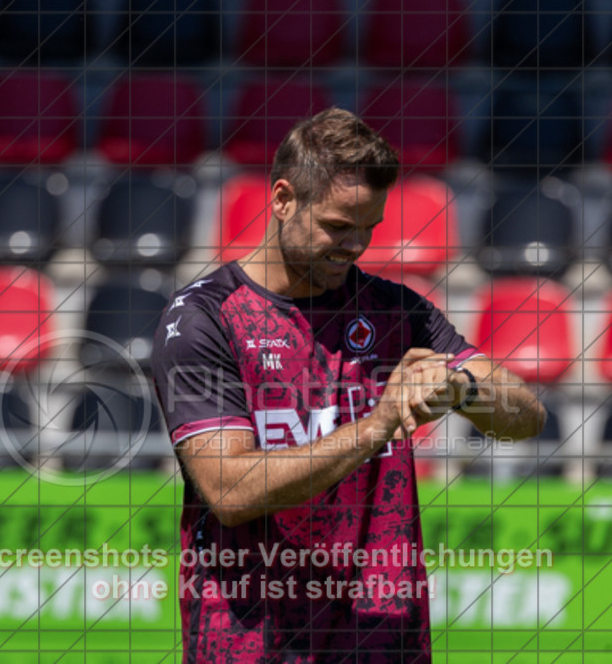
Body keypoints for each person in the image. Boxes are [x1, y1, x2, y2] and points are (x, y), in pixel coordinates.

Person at [151, 107, 546, 663]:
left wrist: (461, 389)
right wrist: (378, 424)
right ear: (283, 199)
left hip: (381, 633)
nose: (356, 244)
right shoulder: (206, 317)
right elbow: (230, 491)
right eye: (338, 225)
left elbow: (526, 416)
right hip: (250, 637)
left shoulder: (395, 310)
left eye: (370, 227)